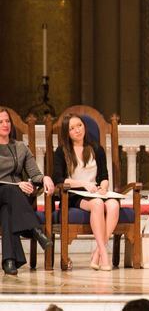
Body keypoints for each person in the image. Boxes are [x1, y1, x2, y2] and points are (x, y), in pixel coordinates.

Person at [52, 114, 121, 271]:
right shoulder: (61, 151)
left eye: (80, 125)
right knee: (97, 204)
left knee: (113, 206)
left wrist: (103, 187)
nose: (77, 130)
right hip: (73, 195)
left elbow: (104, 176)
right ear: (66, 133)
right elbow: (59, 179)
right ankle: (104, 255)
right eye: (72, 128)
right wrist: (84, 184)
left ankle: (97, 253)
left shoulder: (96, 149)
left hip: (95, 192)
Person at [0, 108, 54, 275]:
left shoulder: (21, 147)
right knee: (9, 190)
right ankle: (35, 230)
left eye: (7, 121)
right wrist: (17, 185)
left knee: (7, 212)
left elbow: (35, 174)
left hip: (14, 202)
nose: (5, 124)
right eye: (0, 122)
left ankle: (9, 260)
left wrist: (45, 178)